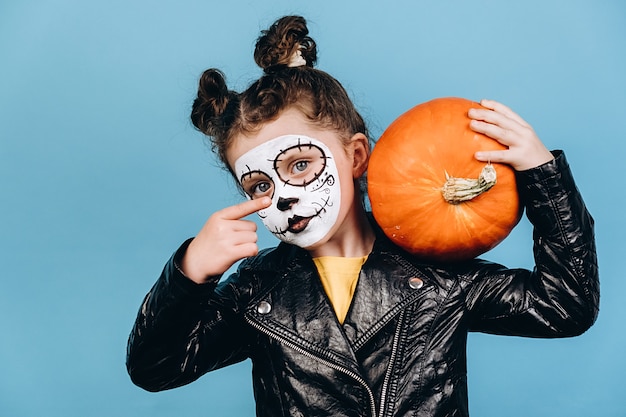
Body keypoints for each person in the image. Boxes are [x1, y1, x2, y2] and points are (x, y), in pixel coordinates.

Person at [126, 15, 599, 417]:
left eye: (300, 164)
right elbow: (156, 368)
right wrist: (188, 274)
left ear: (355, 158)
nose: (284, 196)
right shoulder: (257, 291)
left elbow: (565, 305)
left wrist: (544, 177)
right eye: (260, 185)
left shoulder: (438, 275)